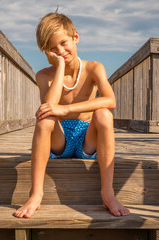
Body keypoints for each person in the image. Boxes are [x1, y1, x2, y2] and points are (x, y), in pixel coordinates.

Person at [13, 12, 130, 218]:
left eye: (64, 43)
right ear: (46, 51)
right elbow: (48, 107)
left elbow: (110, 100)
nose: (60, 51)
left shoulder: (94, 67)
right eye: (52, 49)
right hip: (59, 141)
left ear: (75, 37)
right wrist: (59, 68)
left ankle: (108, 193)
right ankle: (36, 193)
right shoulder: (43, 75)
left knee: (103, 114)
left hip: (87, 138)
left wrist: (66, 109)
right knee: (46, 118)